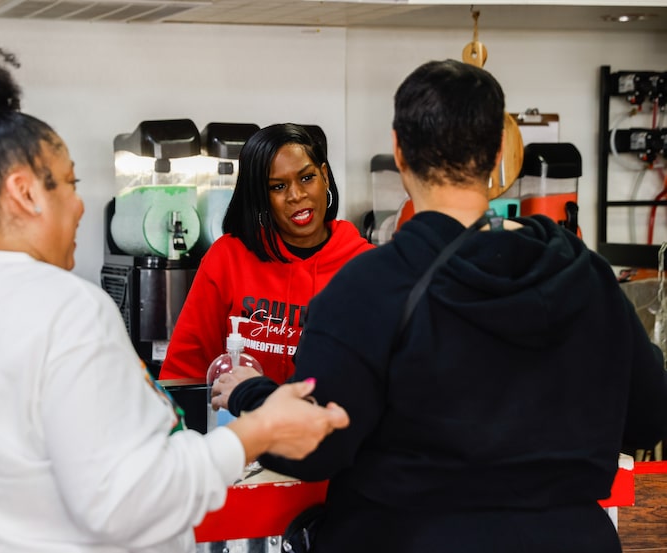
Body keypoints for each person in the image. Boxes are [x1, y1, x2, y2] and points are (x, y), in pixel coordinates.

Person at [0, 34, 349, 553]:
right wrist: (258, 431)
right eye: (69, 183)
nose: (81, 208)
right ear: (24, 192)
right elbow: (135, 498)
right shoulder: (67, 311)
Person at [213, 59, 667, 552]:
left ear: (399, 152)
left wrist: (247, 392)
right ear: (498, 154)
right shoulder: (588, 276)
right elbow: (649, 417)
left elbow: (311, 447)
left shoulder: (369, 287)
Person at [159, 123, 373, 384]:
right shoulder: (228, 257)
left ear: (325, 176)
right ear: (260, 196)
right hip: (240, 423)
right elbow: (183, 371)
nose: (296, 195)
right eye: (277, 187)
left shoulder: (365, 266)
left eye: (307, 178)